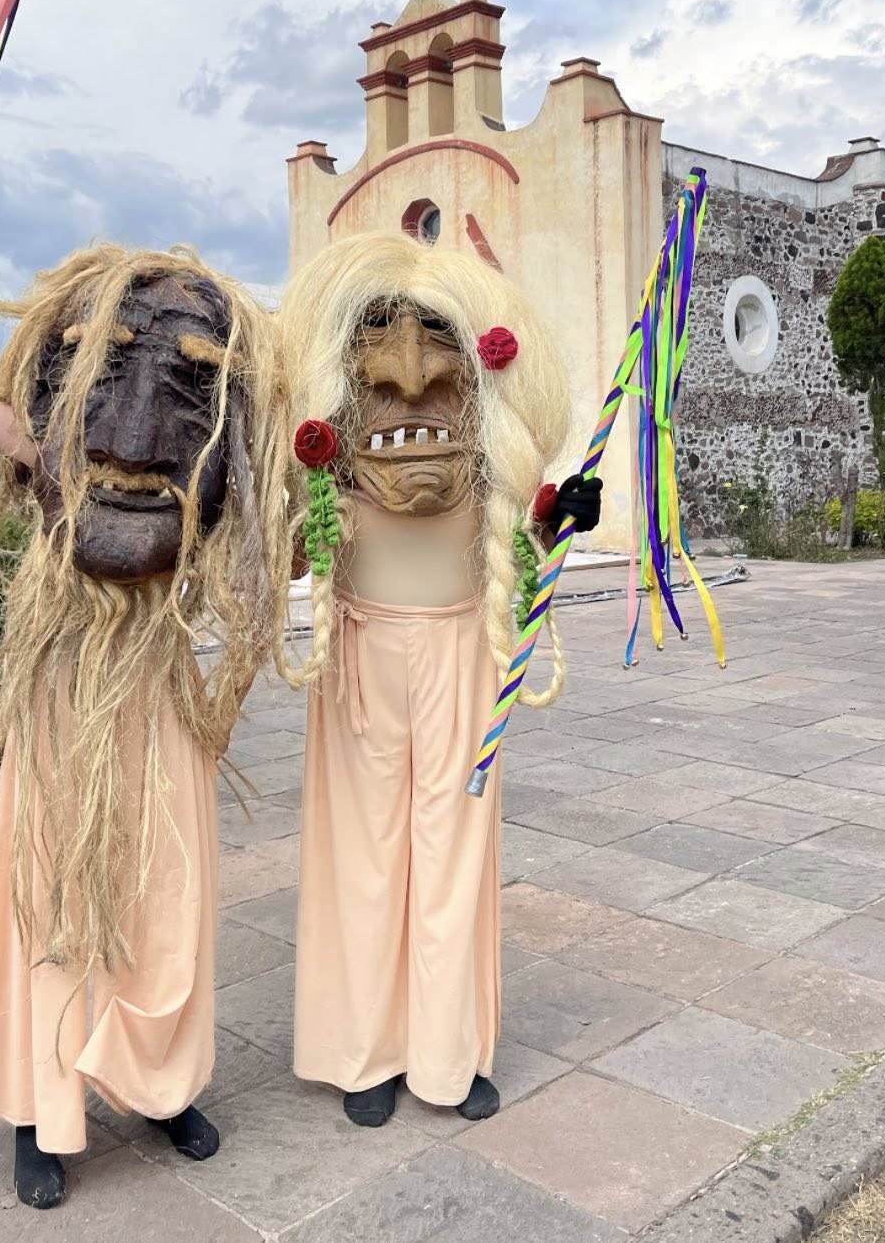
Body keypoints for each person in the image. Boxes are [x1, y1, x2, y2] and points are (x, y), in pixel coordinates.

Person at [0, 244, 289, 1207]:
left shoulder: (207, 469)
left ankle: (161, 1086)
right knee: (50, 899)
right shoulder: (44, 449)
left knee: (168, 898)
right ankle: (42, 1110)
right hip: (57, 706)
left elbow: (269, 518)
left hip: (156, 702)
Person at [279, 232, 601, 1126]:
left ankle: (448, 1053)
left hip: (461, 660)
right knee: (363, 861)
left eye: (439, 339)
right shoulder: (325, 481)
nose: (411, 371)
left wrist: (560, 523)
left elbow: (523, 566)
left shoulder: (486, 475)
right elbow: (274, 559)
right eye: (380, 333)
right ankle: (364, 1054)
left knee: (455, 860)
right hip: (358, 667)